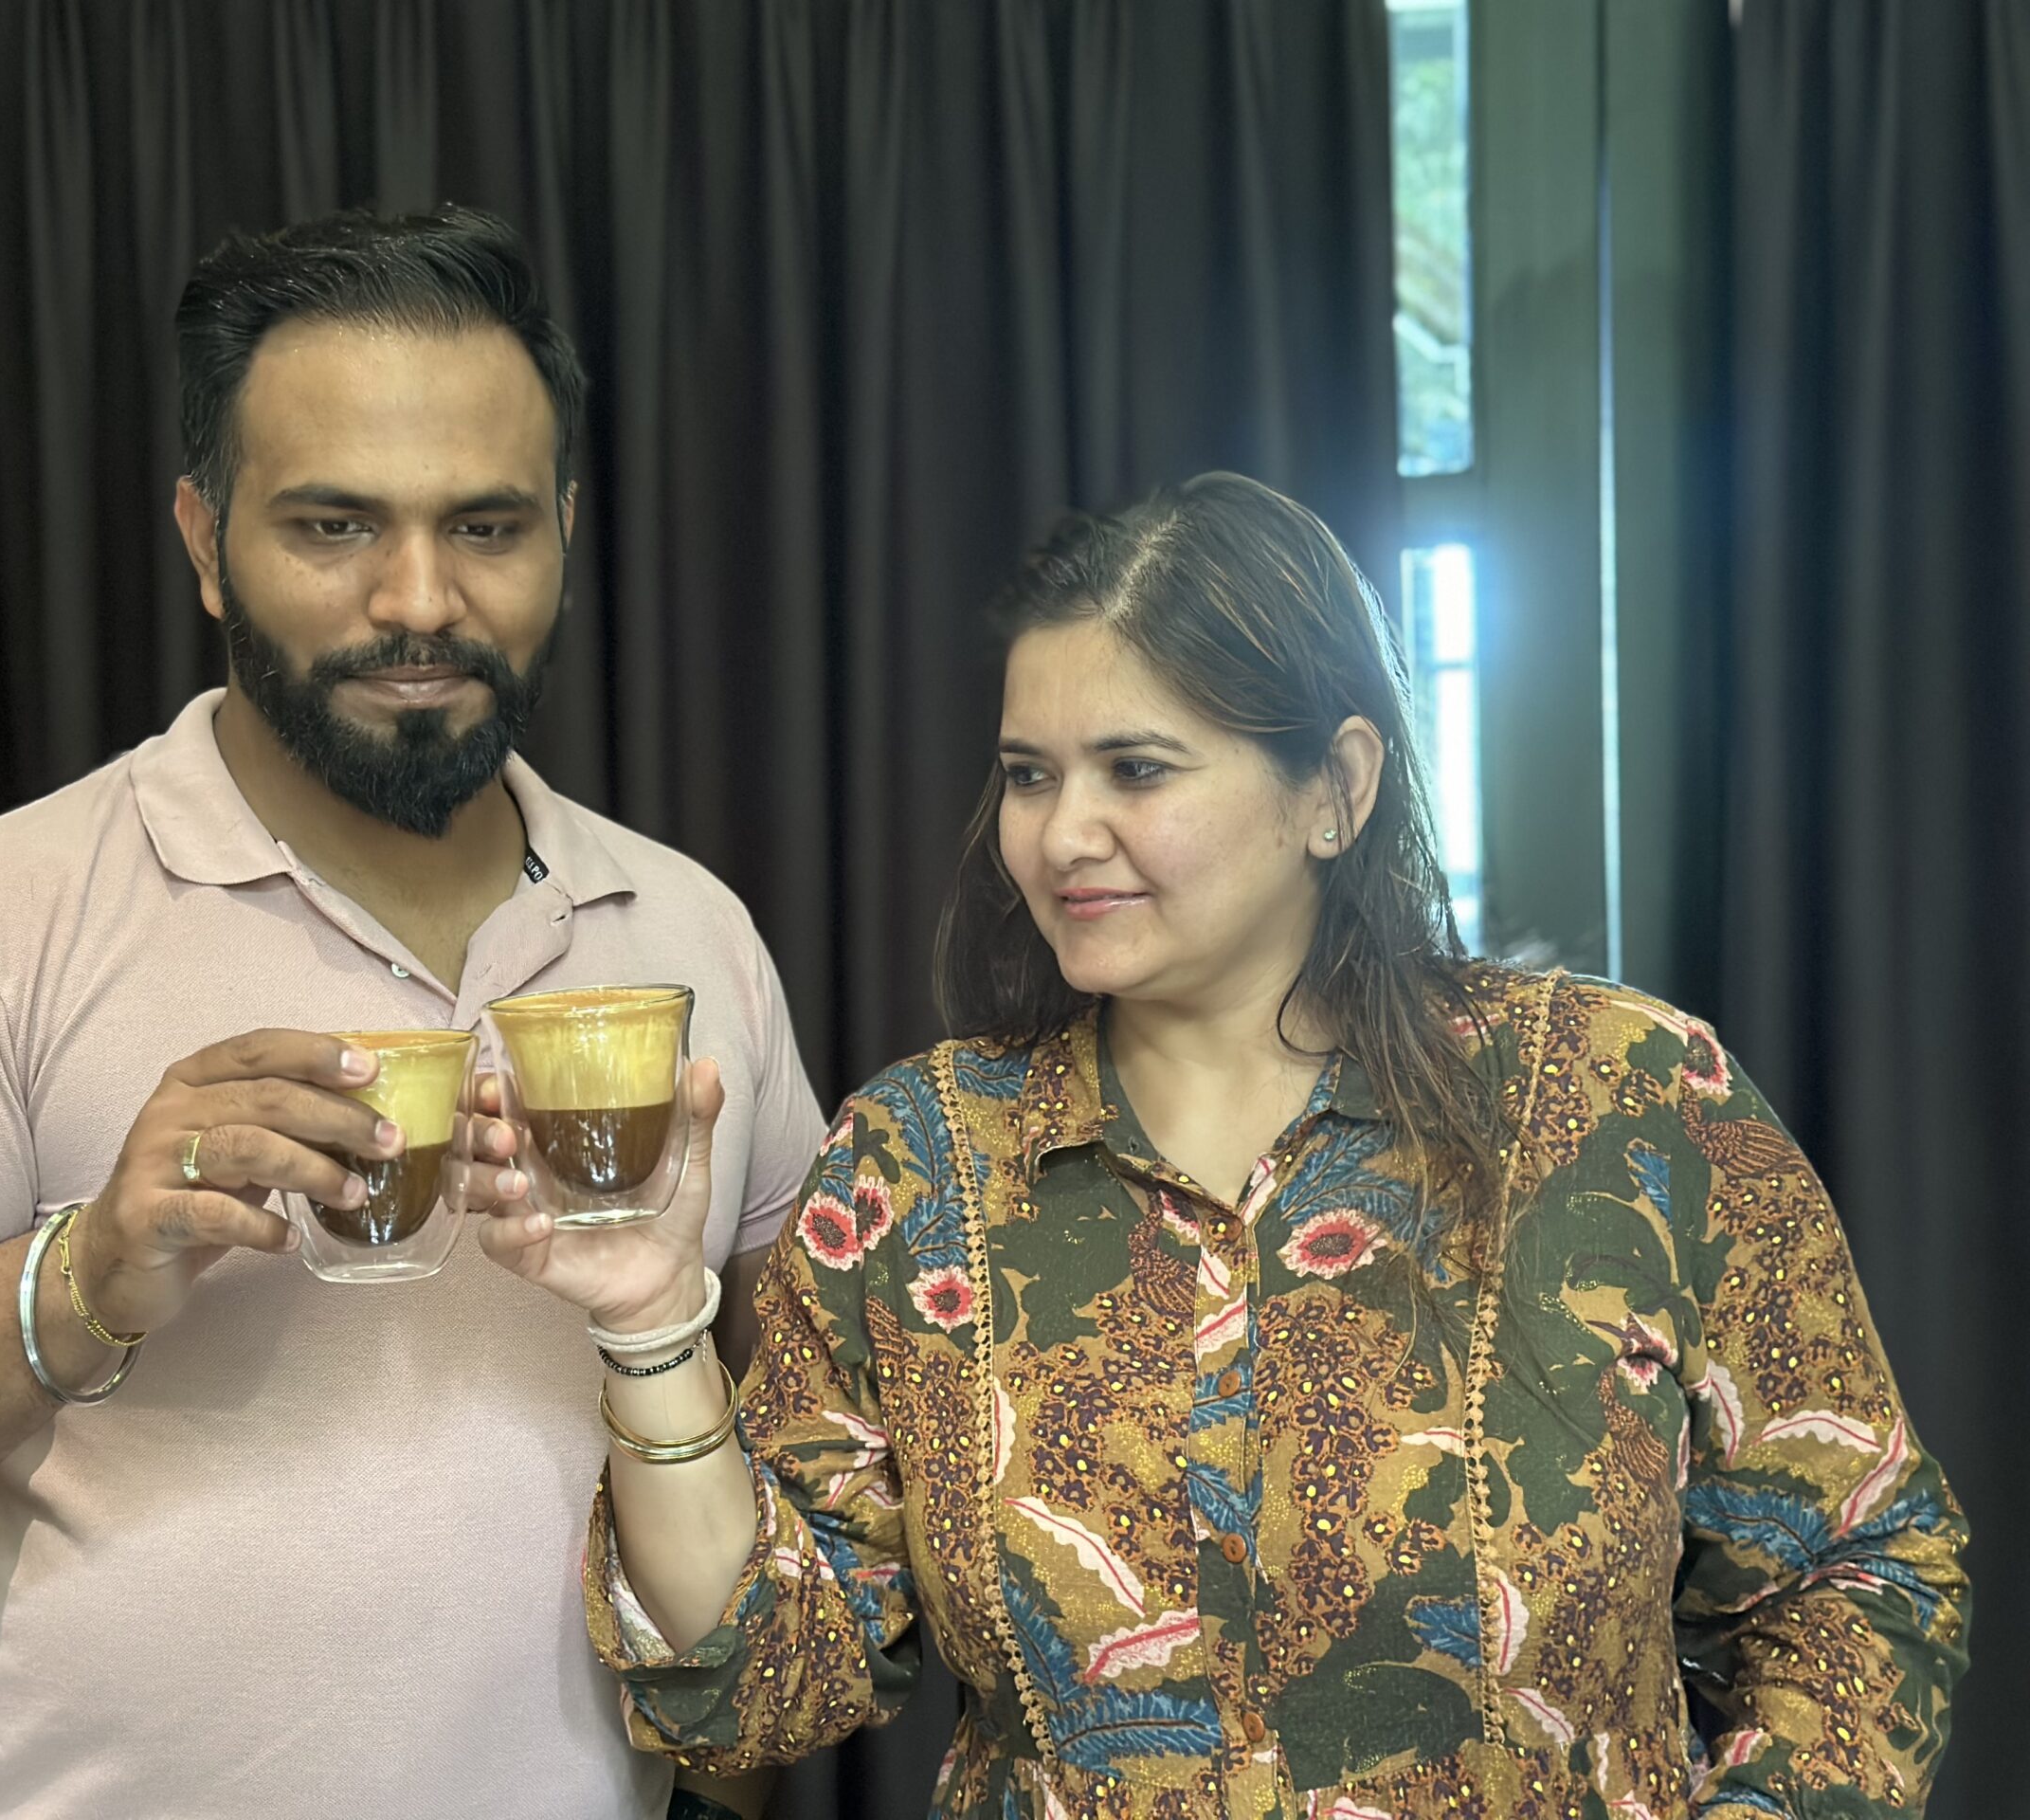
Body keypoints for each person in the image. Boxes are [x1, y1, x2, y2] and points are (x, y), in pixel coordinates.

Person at [479, 472, 1971, 1819]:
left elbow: (1864, 1567)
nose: (1061, 835)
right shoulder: (917, 1167)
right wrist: (651, 1321)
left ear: (1337, 790)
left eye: (1137, 769)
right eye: (1029, 773)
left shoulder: (1625, 1100)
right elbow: (759, 1689)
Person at [0, 207, 825, 1819]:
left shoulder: (693, 935)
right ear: (204, 541)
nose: (420, 599)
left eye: (485, 526)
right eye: (334, 525)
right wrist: (81, 1277)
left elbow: (808, 1517)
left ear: (563, 527)